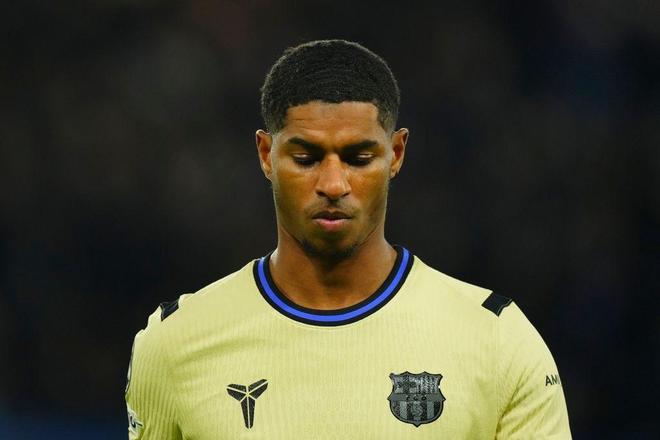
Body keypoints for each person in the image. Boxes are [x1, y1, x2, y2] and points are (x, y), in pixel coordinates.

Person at [125, 39, 571, 439]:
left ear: (395, 154)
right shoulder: (175, 344)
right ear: (266, 154)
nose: (333, 184)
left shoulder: (497, 341)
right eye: (306, 157)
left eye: (359, 158)